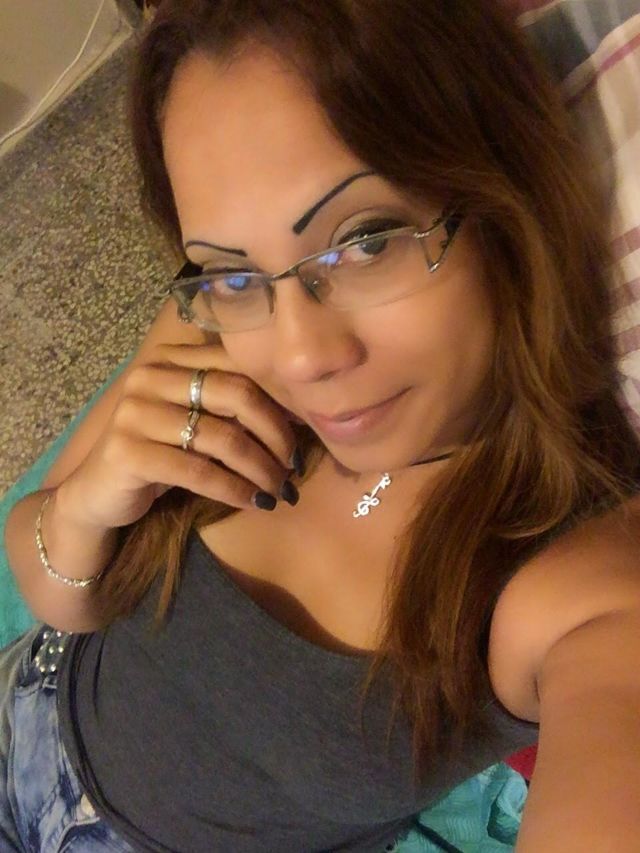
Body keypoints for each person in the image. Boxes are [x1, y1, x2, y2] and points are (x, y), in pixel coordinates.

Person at [2, 0, 640, 850]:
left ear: (503, 189)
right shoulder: (216, 328)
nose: (300, 356)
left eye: (367, 241)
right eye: (232, 271)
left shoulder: (578, 585)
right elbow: (51, 589)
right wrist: (84, 508)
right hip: (29, 700)